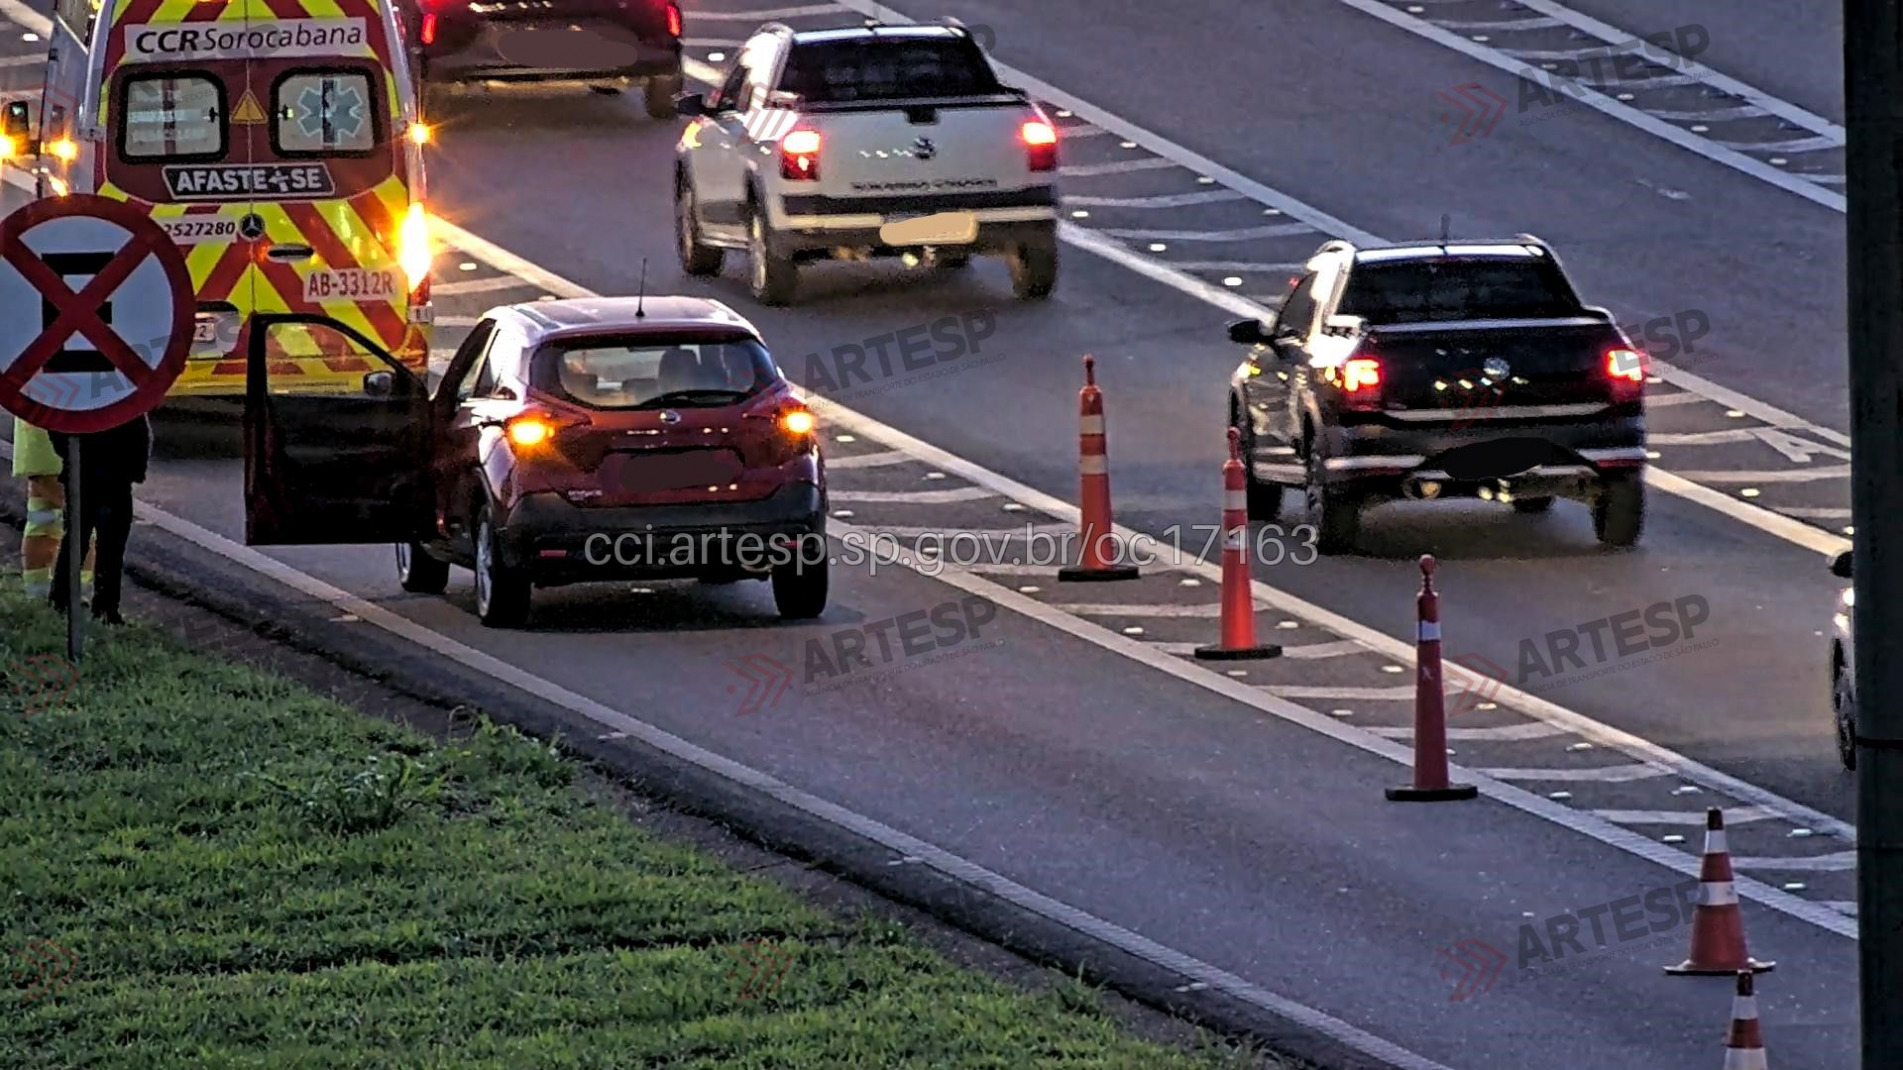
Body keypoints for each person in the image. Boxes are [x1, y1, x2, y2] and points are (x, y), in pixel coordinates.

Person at [47, 412, 151, 625]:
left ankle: (61, 599)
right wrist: (135, 471)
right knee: (111, 548)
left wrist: (70, 456)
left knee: (76, 539)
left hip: (81, 473)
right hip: (115, 478)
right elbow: (140, 433)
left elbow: (57, 428)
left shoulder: (78, 396)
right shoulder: (123, 398)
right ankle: (105, 609)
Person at [11, 416, 92, 601]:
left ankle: (41, 596)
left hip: (43, 412)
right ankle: (76, 599)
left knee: (44, 516)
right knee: (82, 515)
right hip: (61, 416)